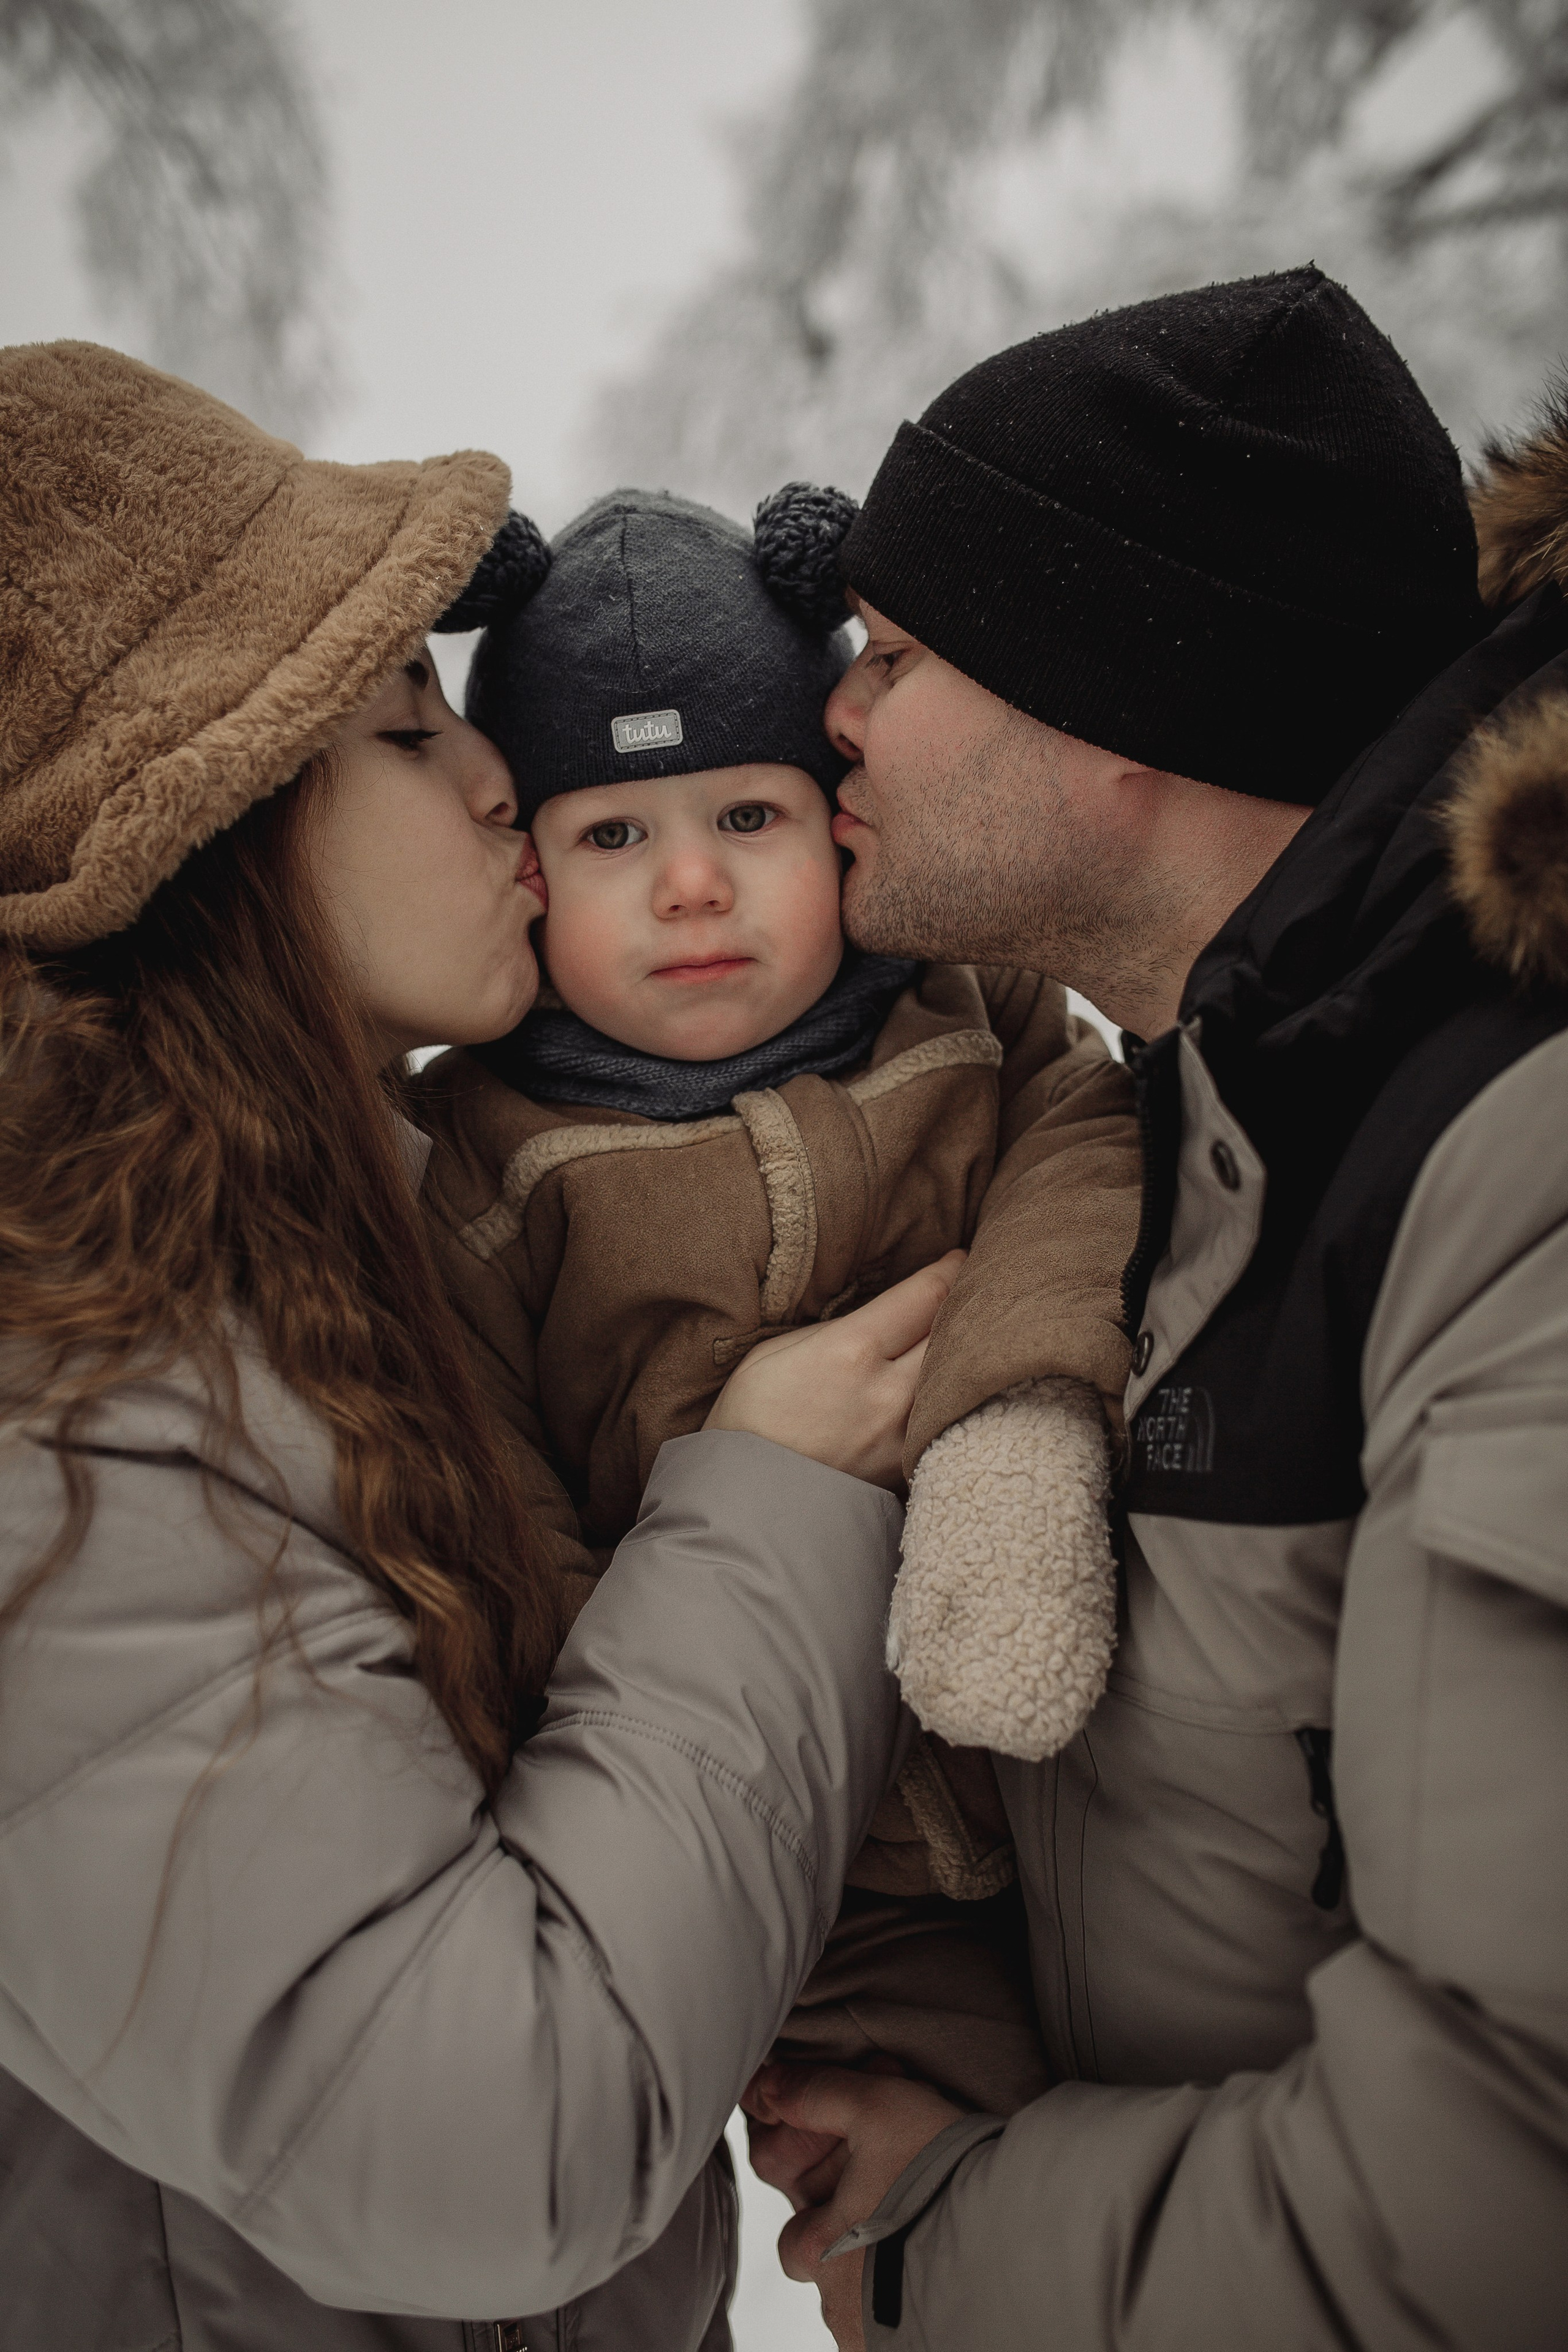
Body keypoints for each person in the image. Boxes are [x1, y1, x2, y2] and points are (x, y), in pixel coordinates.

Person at [0, 337, 959, 2352]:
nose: (498, 777)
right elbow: (482, 2145)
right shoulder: (68, 1406)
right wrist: (776, 1503)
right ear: (200, 822)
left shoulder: (316, 1259)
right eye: (395, 722)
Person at [744, 265, 1568, 2350]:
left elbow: (1510, 2180)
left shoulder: (1509, 1170)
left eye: (901, 655)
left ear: (1130, 715)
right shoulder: (1188, 1124)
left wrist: (955, 2230)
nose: (830, 706)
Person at [410, 484, 1140, 2113]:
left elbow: (1095, 1157)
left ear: (838, 818)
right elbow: (499, 1523)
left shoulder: (976, 1016)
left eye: (749, 819)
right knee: (929, 2192)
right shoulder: (484, 1164)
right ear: (524, 865)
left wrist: (1011, 1411)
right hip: (819, 1876)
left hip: (1103, 1759)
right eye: (614, 834)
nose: (690, 888)